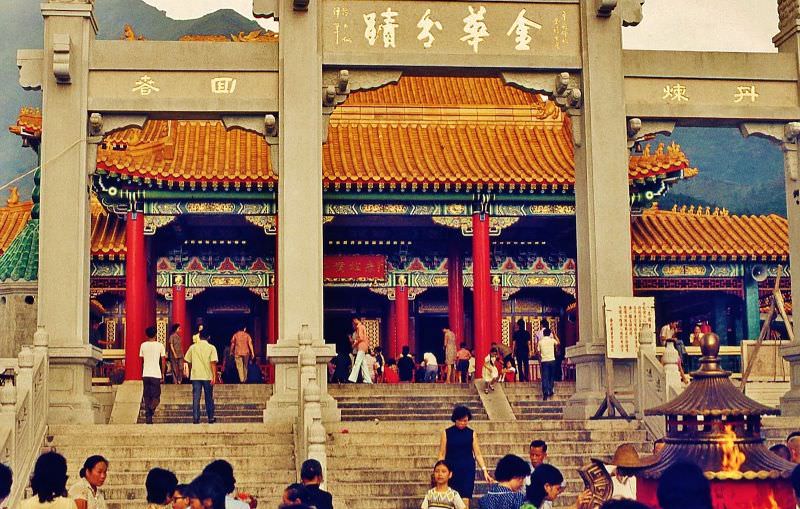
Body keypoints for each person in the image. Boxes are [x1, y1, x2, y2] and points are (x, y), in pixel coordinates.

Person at [438, 405, 493, 508]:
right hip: (452, 469)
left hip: (467, 469)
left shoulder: (471, 433)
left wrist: (484, 470)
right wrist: (440, 470)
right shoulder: (446, 433)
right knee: (452, 497)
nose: (463, 423)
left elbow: (478, 454)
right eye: (461, 420)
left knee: (465, 496)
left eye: (466, 421)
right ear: (455, 419)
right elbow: (442, 454)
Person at [521, 463, 591, 509]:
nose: (558, 492)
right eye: (557, 489)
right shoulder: (528, 506)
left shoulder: (539, 502)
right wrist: (576, 506)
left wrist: (576, 506)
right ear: (547, 487)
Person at [184, 332, 218, 424]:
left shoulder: (193, 347)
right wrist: (214, 376)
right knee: (208, 397)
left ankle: (195, 418)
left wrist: (192, 369)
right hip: (207, 375)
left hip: (196, 375)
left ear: (199, 336)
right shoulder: (211, 348)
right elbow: (213, 363)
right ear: (209, 337)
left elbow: (187, 360)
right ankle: (210, 417)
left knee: (196, 397)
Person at [140, 325, 165, 424]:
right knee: (156, 397)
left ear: (147, 335)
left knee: (147, 396)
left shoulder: (143, 345)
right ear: (156, 334)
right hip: (156, 373)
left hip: (146, 373)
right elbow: (163, 360)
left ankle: (148, 419)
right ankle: (151, 408)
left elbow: (142, 360)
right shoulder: (160, 345)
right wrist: (163, 373)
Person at [347, 318, 372, 384]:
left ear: (356, 320)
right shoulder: (363, 326)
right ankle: (368, 379)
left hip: (361, 346)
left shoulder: (359, 327)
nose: (353, 323)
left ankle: (352, 378)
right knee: (364, 364)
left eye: (353, 321)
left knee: (357, 363)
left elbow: (360, 337)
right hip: (364, 346)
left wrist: (355, 343)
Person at [538, 328, 559, 401]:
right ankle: (550, 389)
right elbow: (558, 342)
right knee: (551, 376)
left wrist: (540, 359)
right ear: (550, 334)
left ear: (543, 334)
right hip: (552, 360)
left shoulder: (540, 342)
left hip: (544, 361)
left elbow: (538, 351)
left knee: (545, 377)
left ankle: (545, 392)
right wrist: (554, 334)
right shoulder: (552, 340)